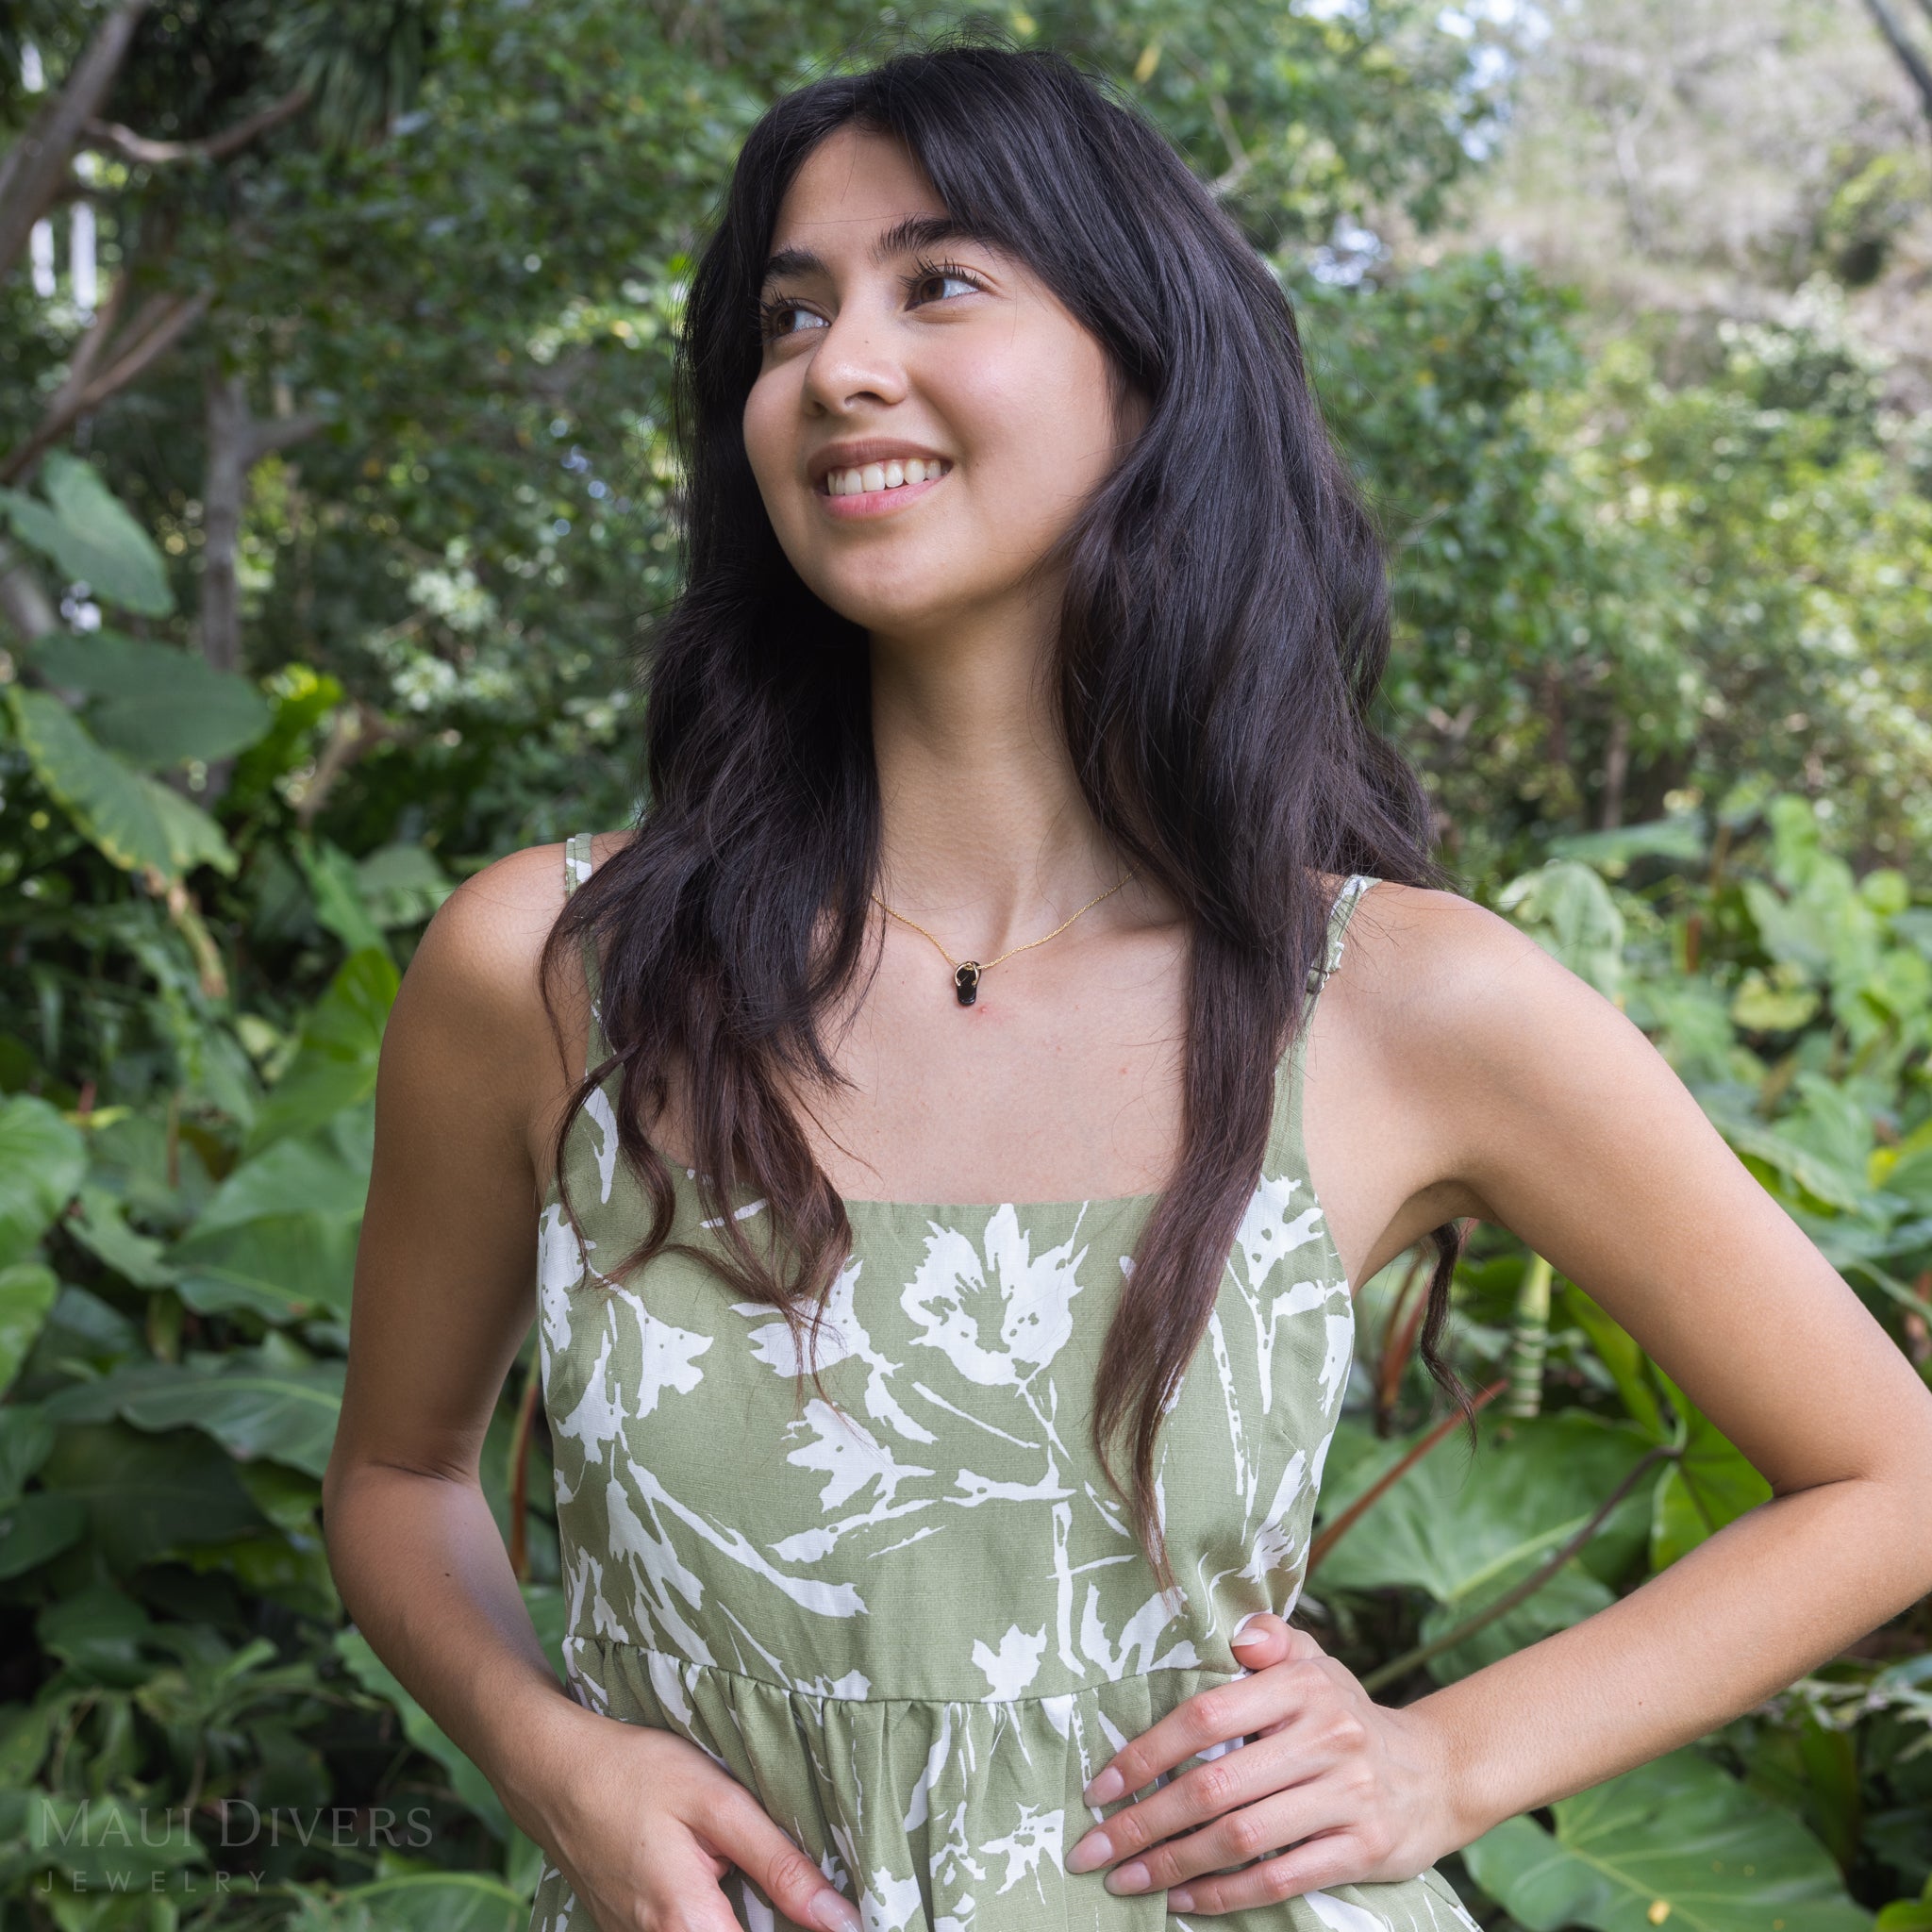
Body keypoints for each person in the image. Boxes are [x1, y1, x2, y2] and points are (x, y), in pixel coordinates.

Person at [320, 38, 1932, 1932]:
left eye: (938, 282)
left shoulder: (1396, 1001)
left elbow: (1886, 1474)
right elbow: (395, 1472)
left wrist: (1439, 1762)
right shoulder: (553, 969)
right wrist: (555, 1752)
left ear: (1143, 371)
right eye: (786, 315)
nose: (837, 365)